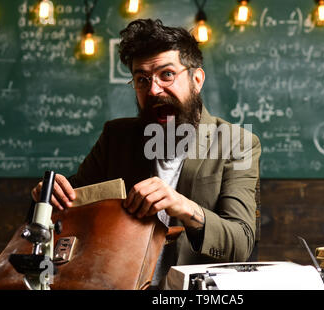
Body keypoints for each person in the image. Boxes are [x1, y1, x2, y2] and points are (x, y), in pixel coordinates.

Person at [31, 18, 261, 288]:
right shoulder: (116, 137)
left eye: (167, 74)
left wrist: (183, 206)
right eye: (142, 79)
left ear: (196, 80)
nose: (153, 90)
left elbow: (241, 242)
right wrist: (48, 197)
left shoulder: (238, 142)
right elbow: (68, 210)